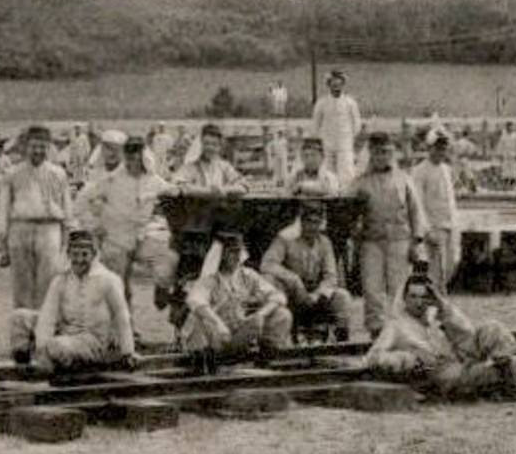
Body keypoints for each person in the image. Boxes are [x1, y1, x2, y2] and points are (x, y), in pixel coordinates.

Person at [365, 269, 516, 402]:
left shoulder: (435, 318)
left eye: (423, 296)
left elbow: (467, 334)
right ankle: (512, 388)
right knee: (503, 368)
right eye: (413, 296)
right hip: (441, 375)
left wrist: (443, 307)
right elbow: (373, 356)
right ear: (404, 298)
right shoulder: (396, 325)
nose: (418, 302)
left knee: (493, 330)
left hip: (461, 363)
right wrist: (403, 359)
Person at [11, 228, 137, 372]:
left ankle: (66, 368)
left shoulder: (108, 280)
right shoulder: (61, 280)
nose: (79, 260)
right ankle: (24, 369)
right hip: (66, 332)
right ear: (69, 255)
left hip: (94, 340)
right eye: (75, 254)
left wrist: (128, 351)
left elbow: (122, 316)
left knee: (57, 346)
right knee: (19, 318)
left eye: (85, 255)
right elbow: (48, 316)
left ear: (93, 255)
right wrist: (42, 347)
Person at [80, 136, 178, 307]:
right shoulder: (111, 179)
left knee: (168, 260)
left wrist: (183, 188)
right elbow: (84, 201)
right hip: (115, 238)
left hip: (141, 236)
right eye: (130, 155)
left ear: (144, 156)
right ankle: (124, 328)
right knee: (118, 286)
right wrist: (94, 226)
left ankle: (161, 289)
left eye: (137, 154)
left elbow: (174, 191)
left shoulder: (153, 180)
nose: (134, 159)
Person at [350, 131, 425, 335]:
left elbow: (415, 211)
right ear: (370, 154)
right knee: (372, 288)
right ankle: (376, 330)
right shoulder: (359, 183)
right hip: (371, 241)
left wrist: (416, 242)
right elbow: (350, 214)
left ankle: (398, 329)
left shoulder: (403, 179)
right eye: (377, 153)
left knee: (398, 288)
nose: (381, 157)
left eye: (385, 152)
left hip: (399, 240)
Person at [181, 231, 293, 364]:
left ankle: (267, 358)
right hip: (215, 335)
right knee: (199, 319)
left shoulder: (247, 275)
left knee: (282, 314)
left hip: (236, 333)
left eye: (238, 252)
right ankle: (204, 362)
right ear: (222, 255)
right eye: (232, 252)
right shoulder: (211, 278)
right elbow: (195, 301)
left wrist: (262, 314)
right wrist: (219, 324)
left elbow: (277, 296)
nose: (236, 256)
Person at [0, 125, 73, 311]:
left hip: (49, 230)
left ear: (49, 148)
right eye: (34, 146)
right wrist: (3, 245)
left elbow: (67, 211)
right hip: (20, 229)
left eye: (43, 147)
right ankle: (23, 332)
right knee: (22, 285)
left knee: (49, 283)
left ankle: (45, 331)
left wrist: (66, 244)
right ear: (25, 147)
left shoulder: (58, 174)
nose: (38, 151)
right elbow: (3, 210)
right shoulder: (12, 174)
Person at [260, 199, 353, 341]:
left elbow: (331, 276)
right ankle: (275, 339)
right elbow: (267, 264)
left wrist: (317, 294)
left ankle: (341, 340)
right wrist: (293, 280)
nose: (312, 227)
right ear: (301, 221)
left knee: (343, 297)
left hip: (315, 293)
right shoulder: (285, 238)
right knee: (270, 280)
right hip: (291, 293)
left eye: (317, 222)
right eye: (309, 222)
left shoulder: (324, 242)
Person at [410, 130, 463, 294]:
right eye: (437, 148)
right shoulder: (420, 171)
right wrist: (426, 230)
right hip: (434, 226)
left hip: (450, 224)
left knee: (451, 264)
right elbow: (417, 203)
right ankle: (437, 302)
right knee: (437, 268)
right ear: (429, 148)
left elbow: (450, 198)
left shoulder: (446, 169)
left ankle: (434, 297)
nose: (441, 152)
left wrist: (455, 223)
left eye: (444, 148)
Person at [311, 70, 364, 184]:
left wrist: (349, 137)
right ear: (329, 86)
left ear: (343, 85)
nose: (337, 88)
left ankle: (346, 192)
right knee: (328, 171)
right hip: (327, 142)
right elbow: (316, 123)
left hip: (345, 142)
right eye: (334, 85)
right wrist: (320, 138)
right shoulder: (322, 103)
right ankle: (329, 192)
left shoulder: (350, 102)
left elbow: (357, 123)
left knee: (346, 170)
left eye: (339, 85)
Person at [173, 123, 248, 192]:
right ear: (201, 144)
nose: (210, 148)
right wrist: (207, 192)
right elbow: (179, 185)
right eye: (206, 143)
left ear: (219, 147)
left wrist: (223, 189)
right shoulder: (191, 167)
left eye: (214, 145)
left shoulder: (224, 166)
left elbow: (243, 185)